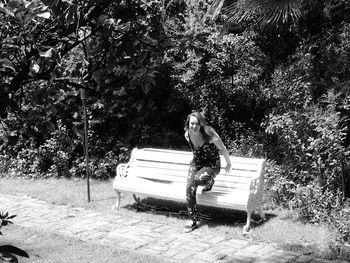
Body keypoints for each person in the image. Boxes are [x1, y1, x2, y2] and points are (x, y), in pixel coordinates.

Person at [183, 111, 231, 233]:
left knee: (198, 179)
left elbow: (222, 148)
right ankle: (193, 220)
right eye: (192, 123)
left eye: (197, 124)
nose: (194, 126)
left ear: (201, 124)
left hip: (212, 165)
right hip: (197, 163)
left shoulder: (209, 133)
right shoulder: (187, 134)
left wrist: (228, 163)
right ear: (188, 123)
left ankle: (210, 181)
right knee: (189, 187)